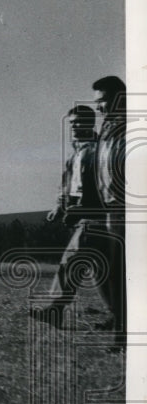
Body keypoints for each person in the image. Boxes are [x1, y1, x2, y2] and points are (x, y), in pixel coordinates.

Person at [32, 106, 107, 323]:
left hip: (94, 217)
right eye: (71, 122)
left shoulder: (97, 151)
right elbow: (66, 183)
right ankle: (121, 318)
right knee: (102, 271)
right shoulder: (76, 152)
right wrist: (59, 206)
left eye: (78, 122)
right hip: (82, 216)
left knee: (72, 261)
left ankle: (55, 310)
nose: (74, 126)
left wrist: (81, 210)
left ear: (90, 123)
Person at [92, 75, 126, 336]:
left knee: (119, 268)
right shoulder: (106, 129)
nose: (98, 107)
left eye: (101, 101)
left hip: (124, 207)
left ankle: (122, 329)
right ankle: (117, 317)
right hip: (108, 206)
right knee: (106, 265)